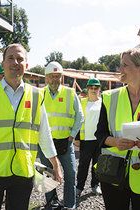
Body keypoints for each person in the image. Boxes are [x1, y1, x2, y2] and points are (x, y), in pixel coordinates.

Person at [0, 43, 63, 210]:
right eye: (10, 58)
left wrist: (55, 165)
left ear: (26, 65)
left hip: (22, 171)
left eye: (20, 59)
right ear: (3, 64)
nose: (15, 62)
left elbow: (44, 134)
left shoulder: (36, 95)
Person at [95, 47, 140, 210]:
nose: (120, 69)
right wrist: (116, 142)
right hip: (113, 175)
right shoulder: (109, 97)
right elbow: (100, 135)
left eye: (125, 65)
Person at [39, 61, 84, 210]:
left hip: (66, 142)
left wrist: (71, 137)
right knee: (48, 174)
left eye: (58, 76)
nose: (54, 79)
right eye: (51, 76)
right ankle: (52, 202)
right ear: (46, 78)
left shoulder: (70, 93)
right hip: (46, 143)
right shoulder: (40, 94)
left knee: (71, 173)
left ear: (61, 78)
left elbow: (80, 117)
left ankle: (70, 205)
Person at [75, 78, 102, 198]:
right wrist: (77, 138)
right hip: (86, 140)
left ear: (99, 89)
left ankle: (95, 185)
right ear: (87, 88)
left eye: (96, 88)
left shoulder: (103, 103)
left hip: (100, 140)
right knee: (83, 165)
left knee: (97, 165)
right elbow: (77, 121)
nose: (93, 90)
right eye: (91, 87)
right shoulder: (82, 102)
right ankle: (79, 187)